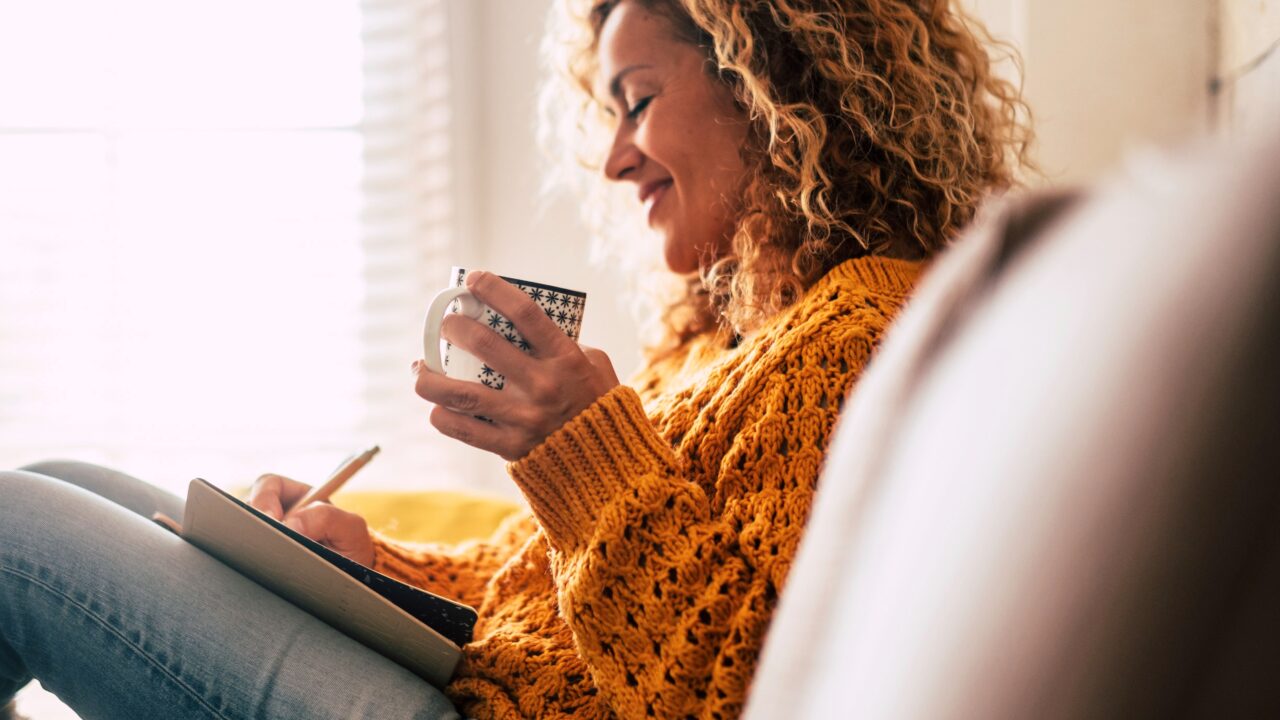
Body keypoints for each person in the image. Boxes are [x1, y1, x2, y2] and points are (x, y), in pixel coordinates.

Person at [0, 0, 1030, 718]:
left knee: (12, 525)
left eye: (636, 99)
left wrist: (583, 449)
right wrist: (370, 569)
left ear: (769, 85)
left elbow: (736, 692)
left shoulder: (859, 335)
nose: (615, 155)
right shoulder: (728, 341)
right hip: (477, 683)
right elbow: (543, 596)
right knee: (62, 484)